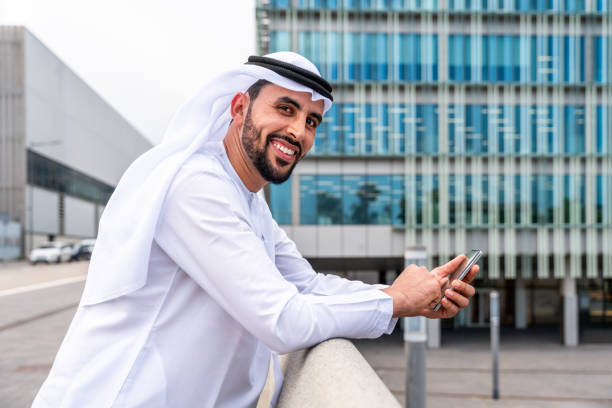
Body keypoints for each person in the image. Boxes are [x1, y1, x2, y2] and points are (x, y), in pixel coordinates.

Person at [32, 52, 478, 408]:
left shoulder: (249, 203)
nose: (298, 130)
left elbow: (307, 286)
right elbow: (282, 320)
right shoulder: (196, 187)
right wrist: (396, 300)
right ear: (240, 107)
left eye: (310, 121)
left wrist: (405, 297)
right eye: (285, 109)